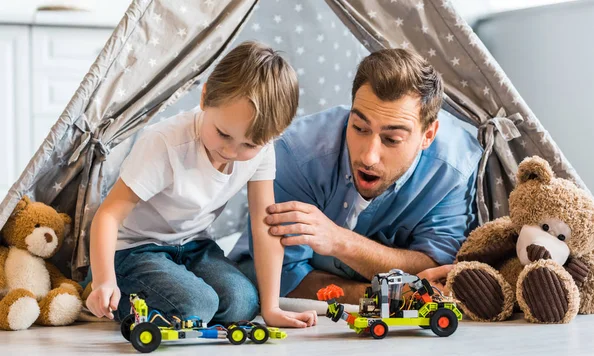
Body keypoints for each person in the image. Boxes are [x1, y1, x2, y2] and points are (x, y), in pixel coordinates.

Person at [83, 41, 317, 328]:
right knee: (197, 304)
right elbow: (108, 215)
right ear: (205, 98)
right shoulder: (165, 143)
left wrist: (271, 308)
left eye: (249, 144)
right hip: (136, 249)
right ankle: (115, 293)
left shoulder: (263, 149)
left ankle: (181, 304)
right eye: (223, 134)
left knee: (244, 303)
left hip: (194, 246)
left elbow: (264, 223)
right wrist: (103, 280)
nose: (231, 151)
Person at [233, 48, 483, 303]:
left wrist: (340, 241)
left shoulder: (455, 168)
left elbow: (436, 270)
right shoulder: (296, 153)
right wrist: (385, 295)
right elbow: (284, 278)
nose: (368, 157)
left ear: (428, 135)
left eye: (392, 139)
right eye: (359, 128)